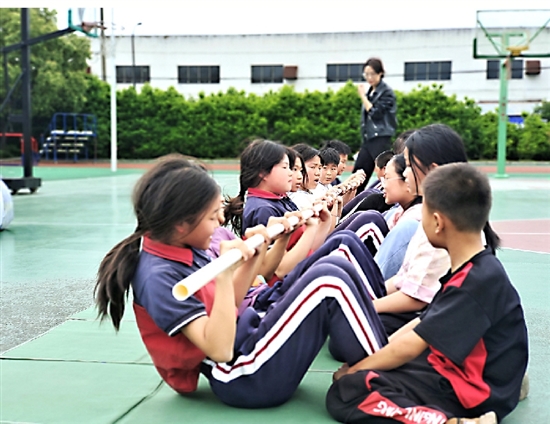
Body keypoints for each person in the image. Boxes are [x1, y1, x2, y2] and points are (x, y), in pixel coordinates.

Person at [94, 154, 390, 409]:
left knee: (334, 264)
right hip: (243, 374)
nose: (221, 221)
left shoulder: (186, 246)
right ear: (181, 223)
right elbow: (220, 350)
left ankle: (385, 355)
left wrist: (254, 256)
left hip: (249, 339)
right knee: (328, 280)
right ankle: (386, 375)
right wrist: (225, 274)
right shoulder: (158, 276)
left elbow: (231, 304)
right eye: (213, 216)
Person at [327, 163, 528, 424]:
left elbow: (412, 344)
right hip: (460, 369)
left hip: (473, 390)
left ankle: (449, 421)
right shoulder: (475, 268)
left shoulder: (476, 280)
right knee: (372, 369)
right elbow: (421, 325)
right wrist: (370, 358)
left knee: (348, 391)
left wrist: (356, 370)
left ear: (437, 222)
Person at [225, 139, 334, 284]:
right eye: (286, 167)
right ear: (263, 172)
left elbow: (309, 248)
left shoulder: (279, 200)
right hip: (287, 286)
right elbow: (279, 271)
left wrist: (325, 221)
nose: (291, 174)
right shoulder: (263, 210)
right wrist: (311, 228)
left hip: (302, 272)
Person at [353, 58, 397, 194]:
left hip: (380, 138)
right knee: (358, 175)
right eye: (366, 74)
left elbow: (375, 113)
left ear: (380, 73)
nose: (369, 78)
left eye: (372, 74)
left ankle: (389, 199)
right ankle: (351, 203)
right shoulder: (372, 91)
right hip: (369, 139)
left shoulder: (386, 92)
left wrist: (362, 97)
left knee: (385, 173)